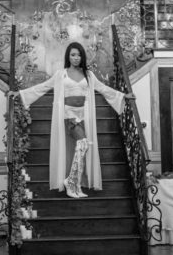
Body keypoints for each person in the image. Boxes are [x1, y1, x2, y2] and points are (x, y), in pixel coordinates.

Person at [11, 42, 134, 199]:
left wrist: (123, 96)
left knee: (82, 147)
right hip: (69, 115)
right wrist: (20, 94)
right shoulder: (61, 74)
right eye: (73, 55)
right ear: (68, 57)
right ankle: (70, 182)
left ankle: (74, 183)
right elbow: (43, 87)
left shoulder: (89, 75)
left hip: (84, 115)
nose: (76, 58)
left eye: (79, 54)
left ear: (82, 56)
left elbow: (103, 89)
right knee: (83, 144)